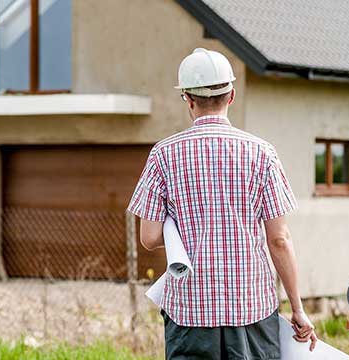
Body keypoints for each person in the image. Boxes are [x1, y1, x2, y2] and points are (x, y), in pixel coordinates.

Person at [128, 48, 316, 359]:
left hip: (189, 311)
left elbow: (148, 238)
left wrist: (187, 229)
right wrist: (297, 308)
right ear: (231, 95)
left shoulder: (163, 154)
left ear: (188, 99)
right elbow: (279, 239)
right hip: (252, 308)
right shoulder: (262, 153)